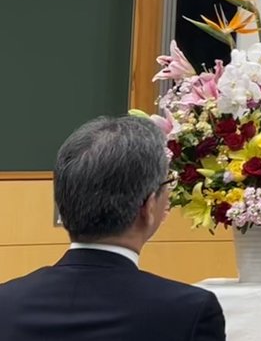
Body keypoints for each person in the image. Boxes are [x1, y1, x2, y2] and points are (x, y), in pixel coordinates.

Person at [0, 115, 225, 341]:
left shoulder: (6, 303)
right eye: (167, 184)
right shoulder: (189, 313)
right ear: (147, 207)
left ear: (61, 204)